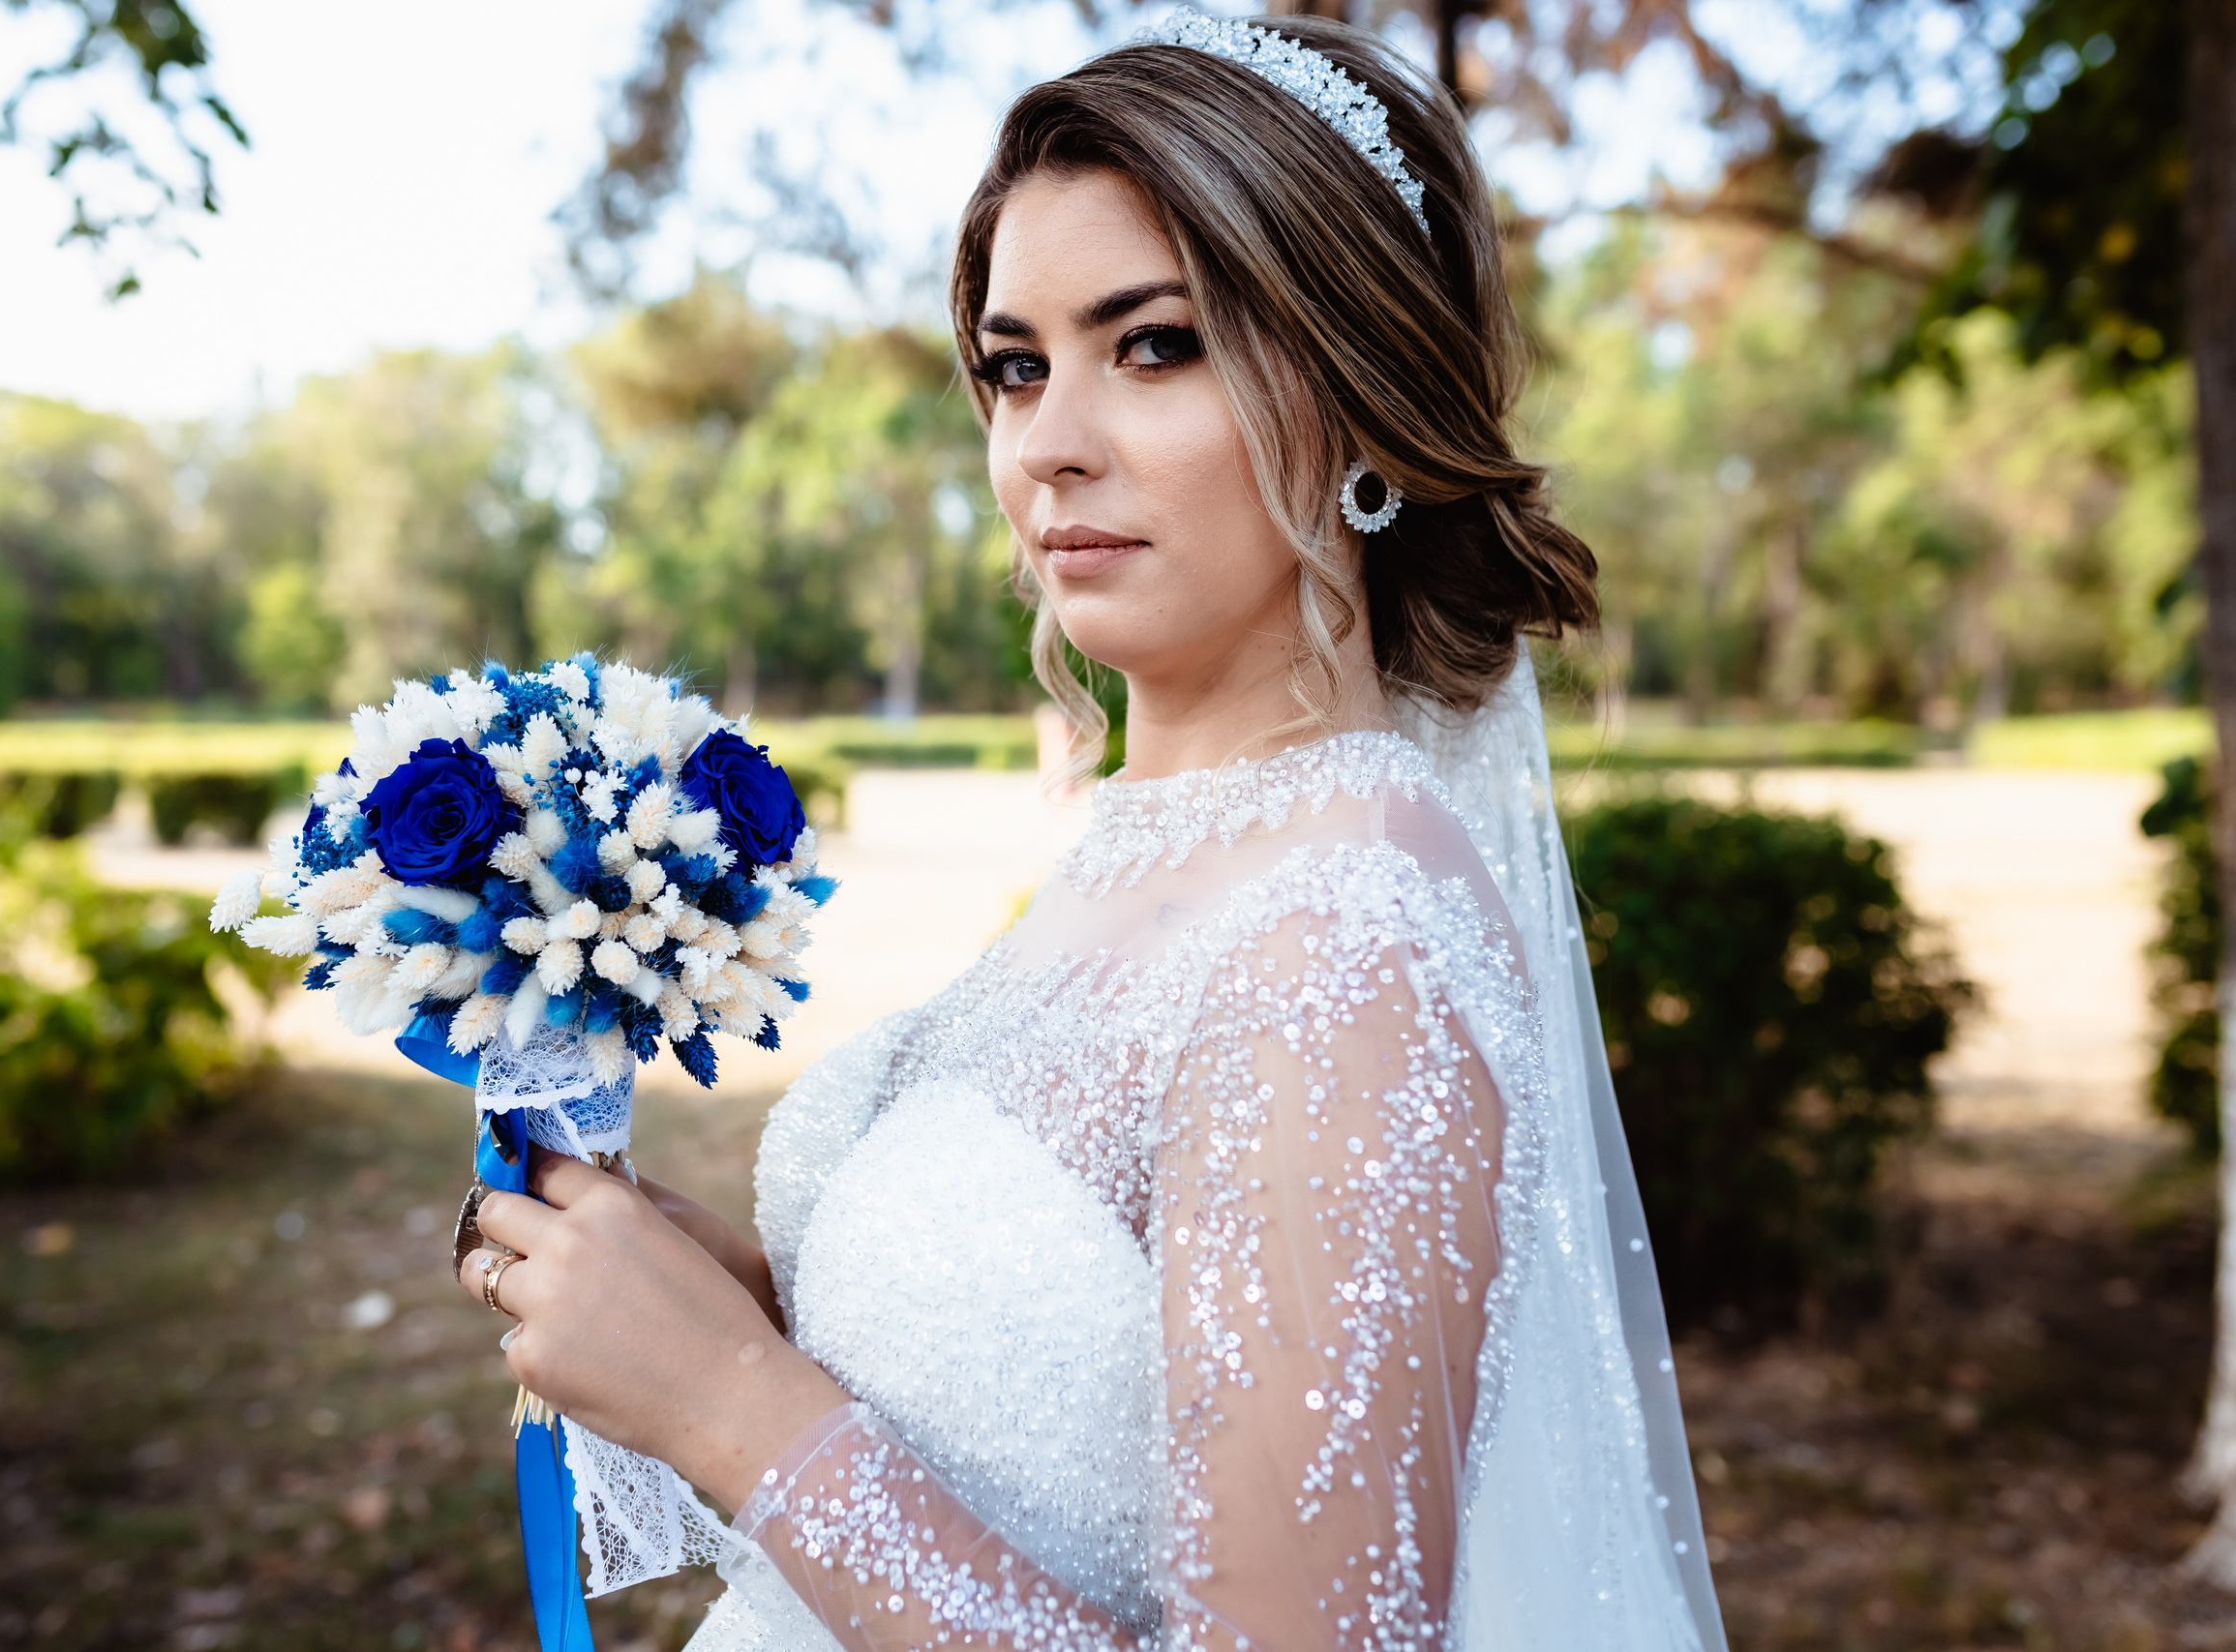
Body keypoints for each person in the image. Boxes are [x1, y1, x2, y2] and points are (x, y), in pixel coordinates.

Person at [458, 12, 1727, 1648]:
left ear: (1355, 393)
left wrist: (729, 1404)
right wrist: (738, 1310)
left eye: (1155, 345)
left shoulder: (1346, 943)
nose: (1047, 442)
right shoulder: (1168, 837)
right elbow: (1075, 1428)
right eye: (1014, 363)